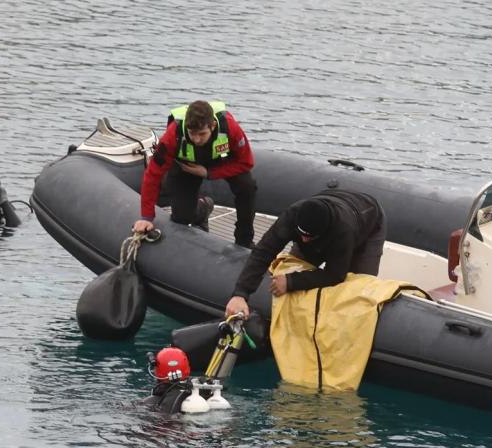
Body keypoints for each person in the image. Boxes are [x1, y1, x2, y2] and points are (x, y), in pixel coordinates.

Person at [225, 189, 387, 317]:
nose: (304, 240)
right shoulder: (293, 215)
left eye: (309, 237)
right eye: (301, 235)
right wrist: (240, 293)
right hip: (332, 208)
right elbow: (264, 251)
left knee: (356, 286)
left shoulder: (343, 231)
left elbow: (335, 275)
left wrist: (291, 281)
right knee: (296, 262)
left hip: (369, 222)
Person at [132, 100, 257, 248]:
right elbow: (153, 173)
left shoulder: (230, 128)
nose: (197, 139)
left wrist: (209, 173)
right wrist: (147, 217)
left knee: (247, 186)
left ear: (213, 126)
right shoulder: (173, 135)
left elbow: (246, 162)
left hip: (219, 161)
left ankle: (244, 240)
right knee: (181, 217)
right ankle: (203, 208)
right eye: (192, 134)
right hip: (187, 166)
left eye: (202, 134)